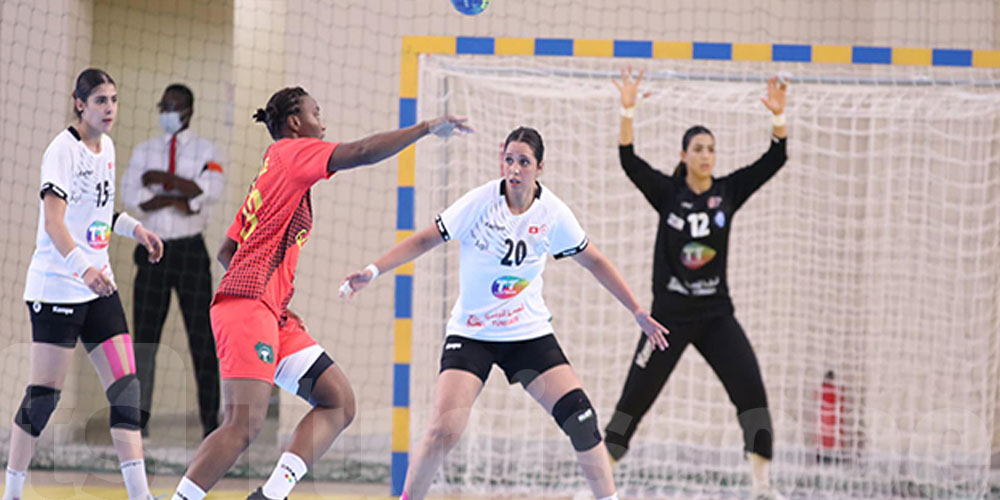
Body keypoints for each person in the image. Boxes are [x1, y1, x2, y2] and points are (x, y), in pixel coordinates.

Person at [167, 86, 471, 500]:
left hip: (267, 311)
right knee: (243, 425)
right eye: (316, 112)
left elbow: (228, 251)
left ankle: (270, 496)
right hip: (248, 308)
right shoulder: (293, 153)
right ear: (295, 123)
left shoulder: (272, 168)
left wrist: (271, 301)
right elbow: (363, 151)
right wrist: (425, 127)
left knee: (338, 401)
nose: (322, 122)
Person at [340, 126, 670, 500]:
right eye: (508, 160)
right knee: (443, 431)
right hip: (472, 335)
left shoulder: (552, 213)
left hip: (527, 338)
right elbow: (425, 238)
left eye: (524, 162)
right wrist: (372, 271)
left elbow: (594, 260)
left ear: (539, 168)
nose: (514, 169)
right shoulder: (480, 202)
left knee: (581, 419)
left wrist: (638, 311)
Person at [602, 68, 789, 500]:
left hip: (716, 316)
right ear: (684, 154)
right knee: (634, 400)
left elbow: (774, 160)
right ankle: (599, 482)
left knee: (752, 393)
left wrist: (778, 120)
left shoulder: (728, 191)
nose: (706, 156)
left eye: (711, 149)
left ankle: (762, 487)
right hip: (666, 320)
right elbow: (629, 160)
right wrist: (628, 109)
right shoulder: (668, 193)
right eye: (698, 149)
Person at [3, 68, 164, 500]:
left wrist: (137, 230)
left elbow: (99, 212)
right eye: (99, 101)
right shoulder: (61, 150)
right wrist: (82, 268)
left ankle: (140, 495)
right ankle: (12, 491)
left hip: (98, 290)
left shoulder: (107, 147)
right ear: (80, 104)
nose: (109, 108)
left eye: (113, 99)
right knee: (43, 399)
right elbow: (55, 223)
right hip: (57, 287)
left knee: (127, 392)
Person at [121, 83, 224, 438]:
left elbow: (209, 190)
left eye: (173, 106)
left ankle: (211, 421)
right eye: (162, 105)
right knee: (145, 337)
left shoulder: (207, 149)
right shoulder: (144, 150)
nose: (166, 111)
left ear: (189, 110)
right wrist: (178, 194)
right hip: (152, 251)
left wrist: (161, 181)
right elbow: (133, 196)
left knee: (203, 337)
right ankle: (139, 421)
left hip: (190, 252)